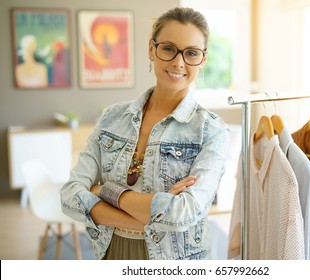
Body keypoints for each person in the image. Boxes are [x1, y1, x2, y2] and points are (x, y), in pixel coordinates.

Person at [61, 7, 230, 260]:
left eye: (191, 53)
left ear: (203, 60)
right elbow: (70, 196)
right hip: (111, 253)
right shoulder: (111, 117)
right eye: (169, 48)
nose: (178, 62)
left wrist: (105, 191)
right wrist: (150, 217)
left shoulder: (212, 131)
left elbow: (184, 214)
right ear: (151, 49)